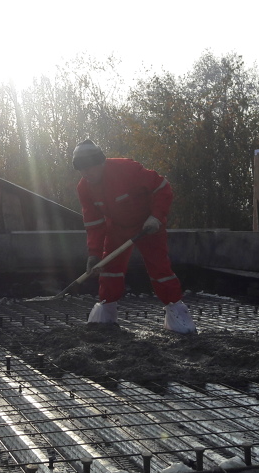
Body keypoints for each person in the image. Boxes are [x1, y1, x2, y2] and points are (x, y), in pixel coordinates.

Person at [73, 139, 196, 334]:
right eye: (81, 169)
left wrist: (156, 216)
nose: (86, 173)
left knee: (159, 268)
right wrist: (94, 254)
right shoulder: (84, 188)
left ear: (100, 162)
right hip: (118, 227)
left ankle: (177, 314)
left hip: (149, 225)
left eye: (89, 167)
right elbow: (94, 223)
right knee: (110, 269)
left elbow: (162, 187)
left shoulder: (126, 170)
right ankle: (106, 315)